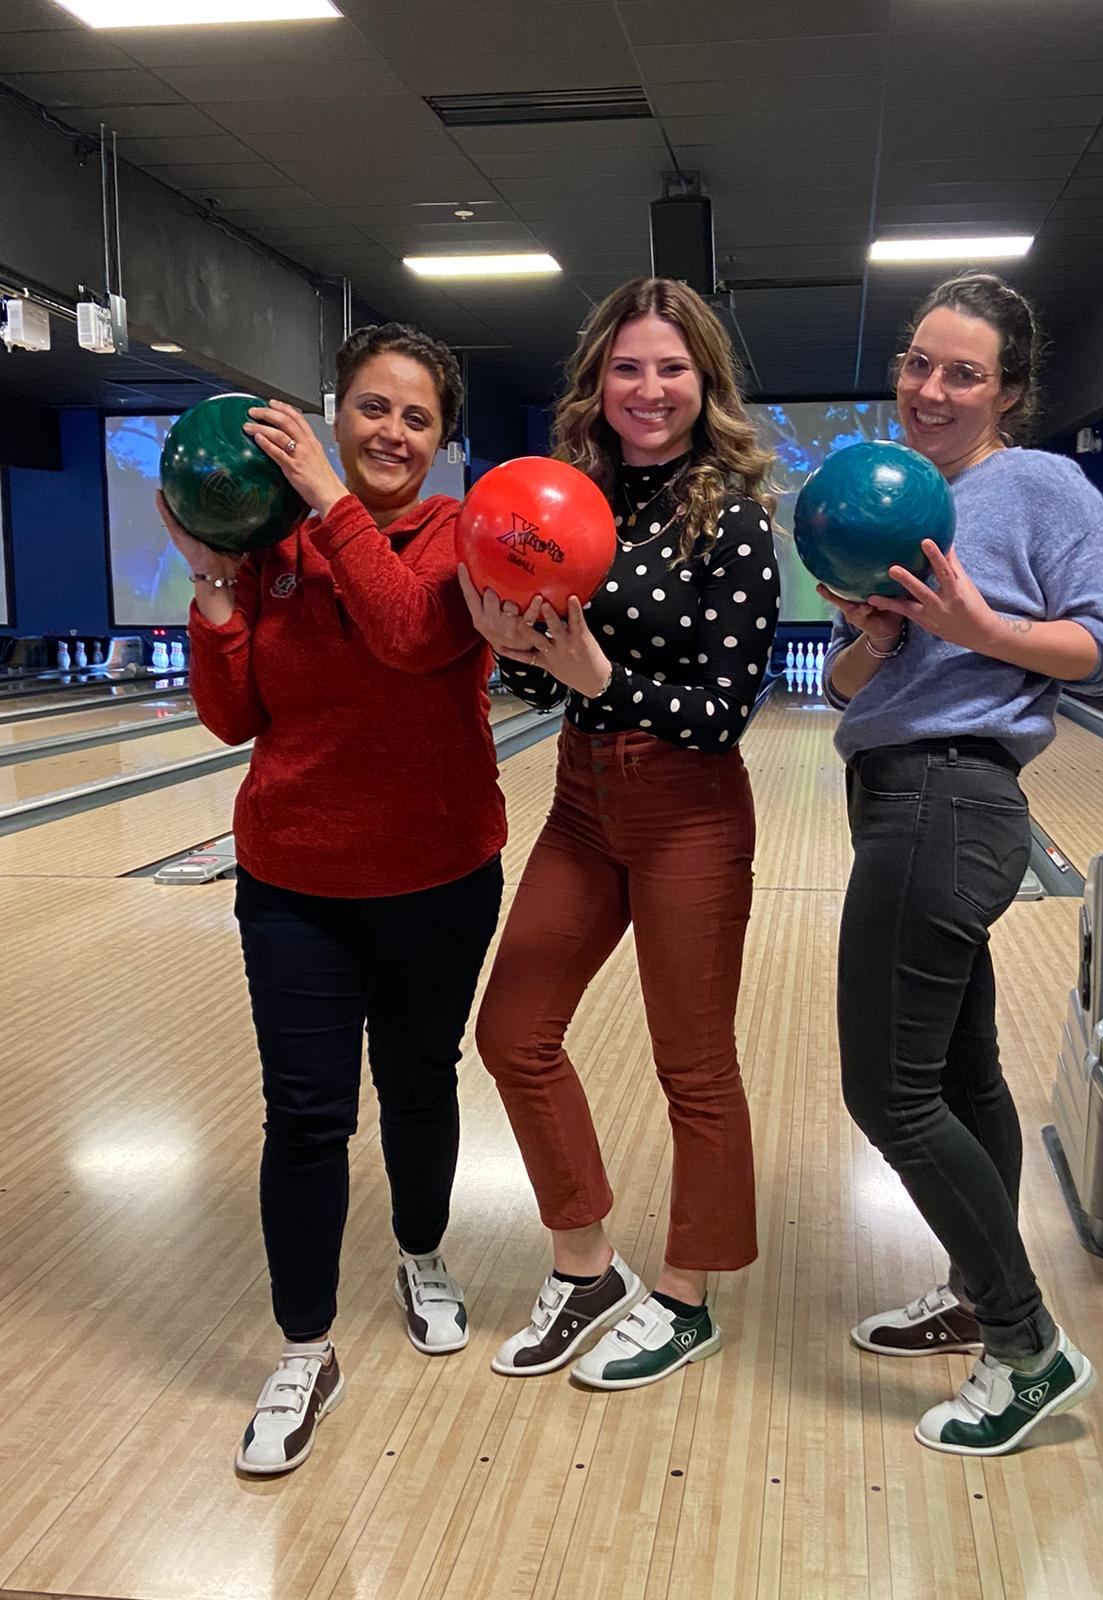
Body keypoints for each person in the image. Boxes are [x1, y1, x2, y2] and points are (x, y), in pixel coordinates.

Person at [157, 323, 506, 1475]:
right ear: (335, 413)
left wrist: (325, 502)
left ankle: (421, 1252)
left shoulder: (460, 538)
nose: (391, 431)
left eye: (416, 416)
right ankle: (305, 1349)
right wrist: (215, 582)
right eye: (371, 407)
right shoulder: (273, 543)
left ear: (441, 440)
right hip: (294, 882)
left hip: (439, 874)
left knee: (418, 1082)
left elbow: (407, 631)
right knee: (306, 1116)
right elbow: (233, 717)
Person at [822, 273, 1103, 1455]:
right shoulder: (896, 496)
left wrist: (985, 630)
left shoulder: (1041, 486)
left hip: (950, 799)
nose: (931, 388)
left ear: (1008, 391)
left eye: (963, 372)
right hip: (897, 793)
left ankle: (1027, 1345)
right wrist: (873, 638)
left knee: (887, 1093)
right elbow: (849, 692)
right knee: (961, 1081)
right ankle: (976, 1290)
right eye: (918, 362)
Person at [459, 276, 780, 1390]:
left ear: (705, 382)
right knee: (513, 1030)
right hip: (582, 799)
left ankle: (687, 1296)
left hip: (689, 809)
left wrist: (604, 679)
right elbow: (550, 680)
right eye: (628, 367)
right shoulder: (567, 498)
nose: (650, 388)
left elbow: (725, 711)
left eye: (672, 367)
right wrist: (512, 648)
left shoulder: (733, 517)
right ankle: (586, 1264)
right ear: (598, 380)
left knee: (694, 1065)